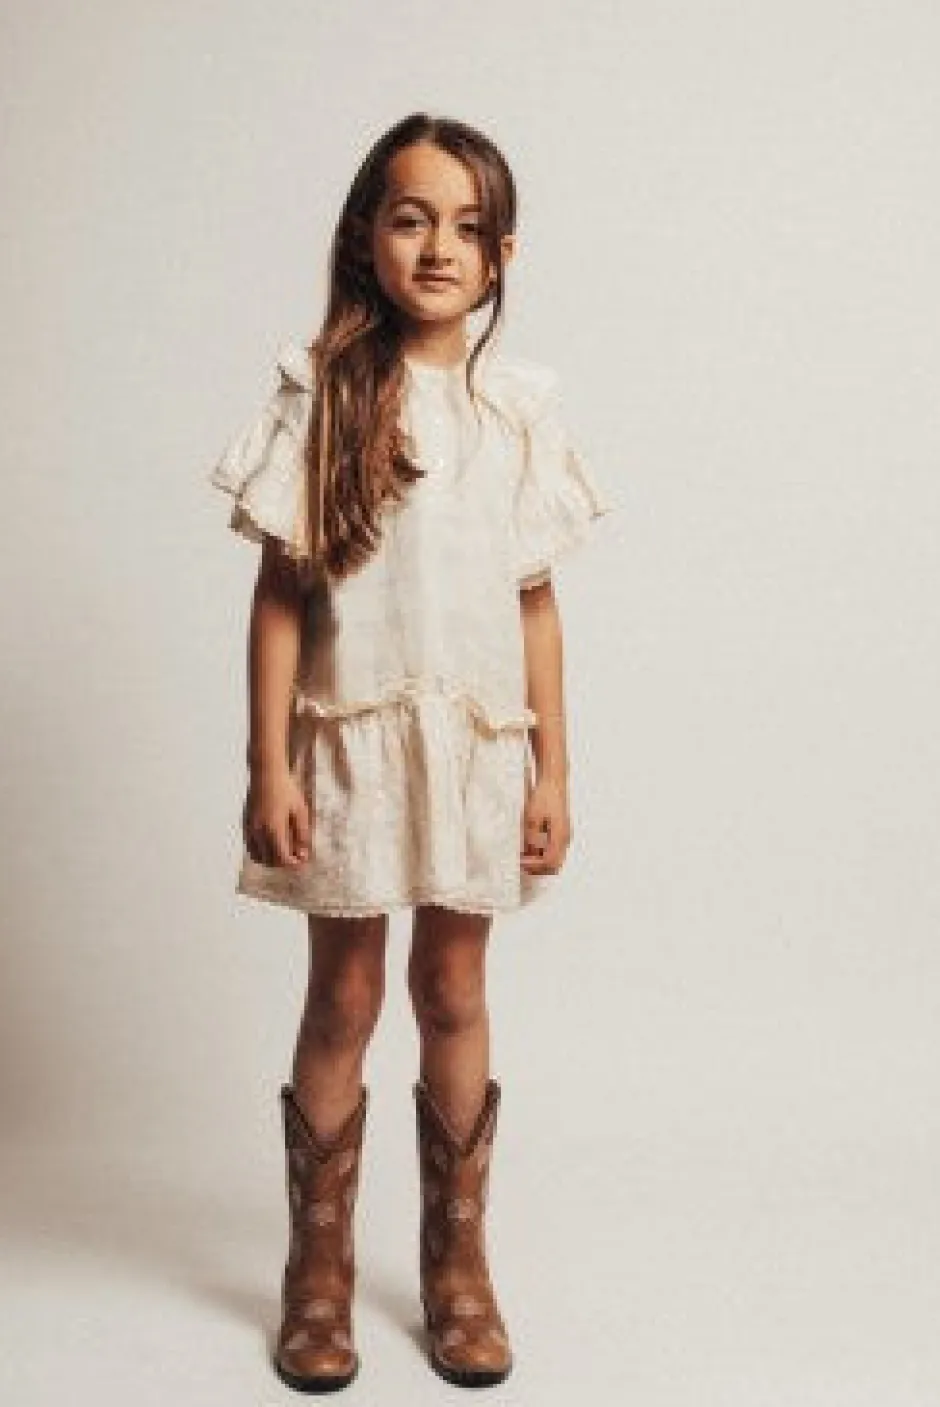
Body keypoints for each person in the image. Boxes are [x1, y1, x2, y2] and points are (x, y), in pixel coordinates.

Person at [208, 111, 612, 1392]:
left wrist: (554, 770)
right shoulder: (325, 397)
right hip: (350, 742)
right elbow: (281, 599)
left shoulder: (513, 411)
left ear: (500, 256)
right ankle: (317, 1275)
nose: (439, 246)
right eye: (411, 217)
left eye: (468, 226)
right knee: (342, 997)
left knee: (452, 989)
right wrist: (269, 763)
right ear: (365, 236)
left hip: (475, 745)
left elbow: (535, 605)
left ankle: (458, 1268)